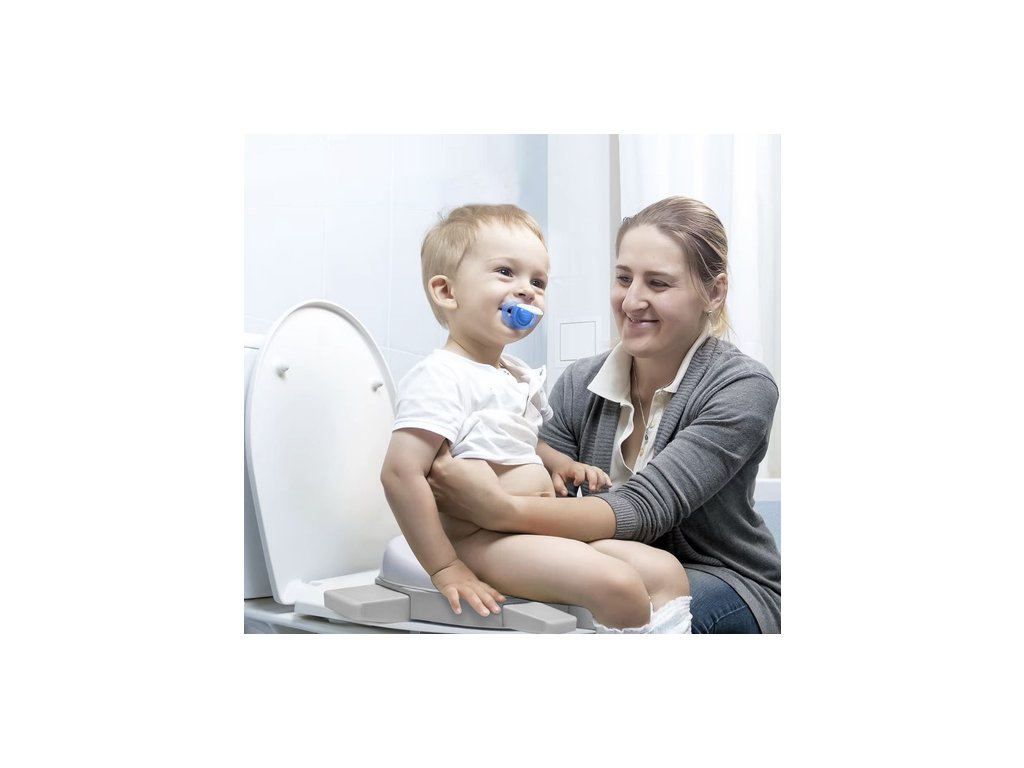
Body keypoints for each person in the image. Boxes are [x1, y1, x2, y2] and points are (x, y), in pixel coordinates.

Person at [427, 196, 782, 634]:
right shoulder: (580, 382)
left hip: (724, 577)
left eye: (658, 283)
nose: (631, 301)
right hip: (607, 559)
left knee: (632, 603)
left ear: (714, 292)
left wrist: (496, 509)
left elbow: (643, 510)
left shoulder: (742, 386)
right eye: (623, 278)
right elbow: (538, 484)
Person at [380, 203, 693, 633]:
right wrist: (445, 567)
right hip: (477, 537)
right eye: (505, 272)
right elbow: (400, 474)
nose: (527, 290)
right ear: (447, 292)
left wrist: (559, 463)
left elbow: (521, 439)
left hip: (525, 529)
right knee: (617, 585)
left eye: (538, 281)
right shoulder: (441, 376)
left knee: (665, 572)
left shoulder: (514, 374)